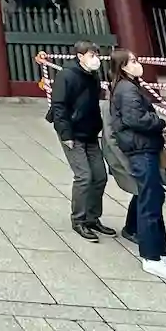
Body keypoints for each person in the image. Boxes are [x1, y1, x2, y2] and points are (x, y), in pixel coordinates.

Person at [108, 49, 166, 282]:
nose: (137, 64)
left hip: (145, 147)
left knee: (154, 198)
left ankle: (161, 253)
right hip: (141, 149)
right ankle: (151, 257)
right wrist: (159, 122)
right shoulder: (127, 89)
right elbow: (135, 119)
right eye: (132, 61)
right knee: (149, 202)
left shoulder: (129, 87)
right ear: (123, 66)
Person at [49, 40, 113, 242]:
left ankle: (93, 218)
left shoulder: (93, 76)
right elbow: (59, 106)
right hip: (72, 132)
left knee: (100, 176)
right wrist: (65, 134)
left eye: (97, 55)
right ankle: (78, 219)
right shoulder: (67, 75)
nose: (96, 59)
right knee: (84, 176)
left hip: (90, 132)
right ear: (80, 56)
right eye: (91, 55)